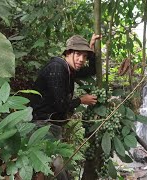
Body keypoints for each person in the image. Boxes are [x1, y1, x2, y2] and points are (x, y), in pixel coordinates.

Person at [30, 34, 100, 180]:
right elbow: (61, 105)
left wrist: (91, 48)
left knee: (51, 169)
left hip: (52, 126)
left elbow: (92, 70)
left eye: (84, 56)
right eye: (78, 54)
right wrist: (81, 100)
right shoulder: (57, 68)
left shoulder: (68, 69)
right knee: (58, 168)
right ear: (68, 53)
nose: (81, 59)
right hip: (42, 125)